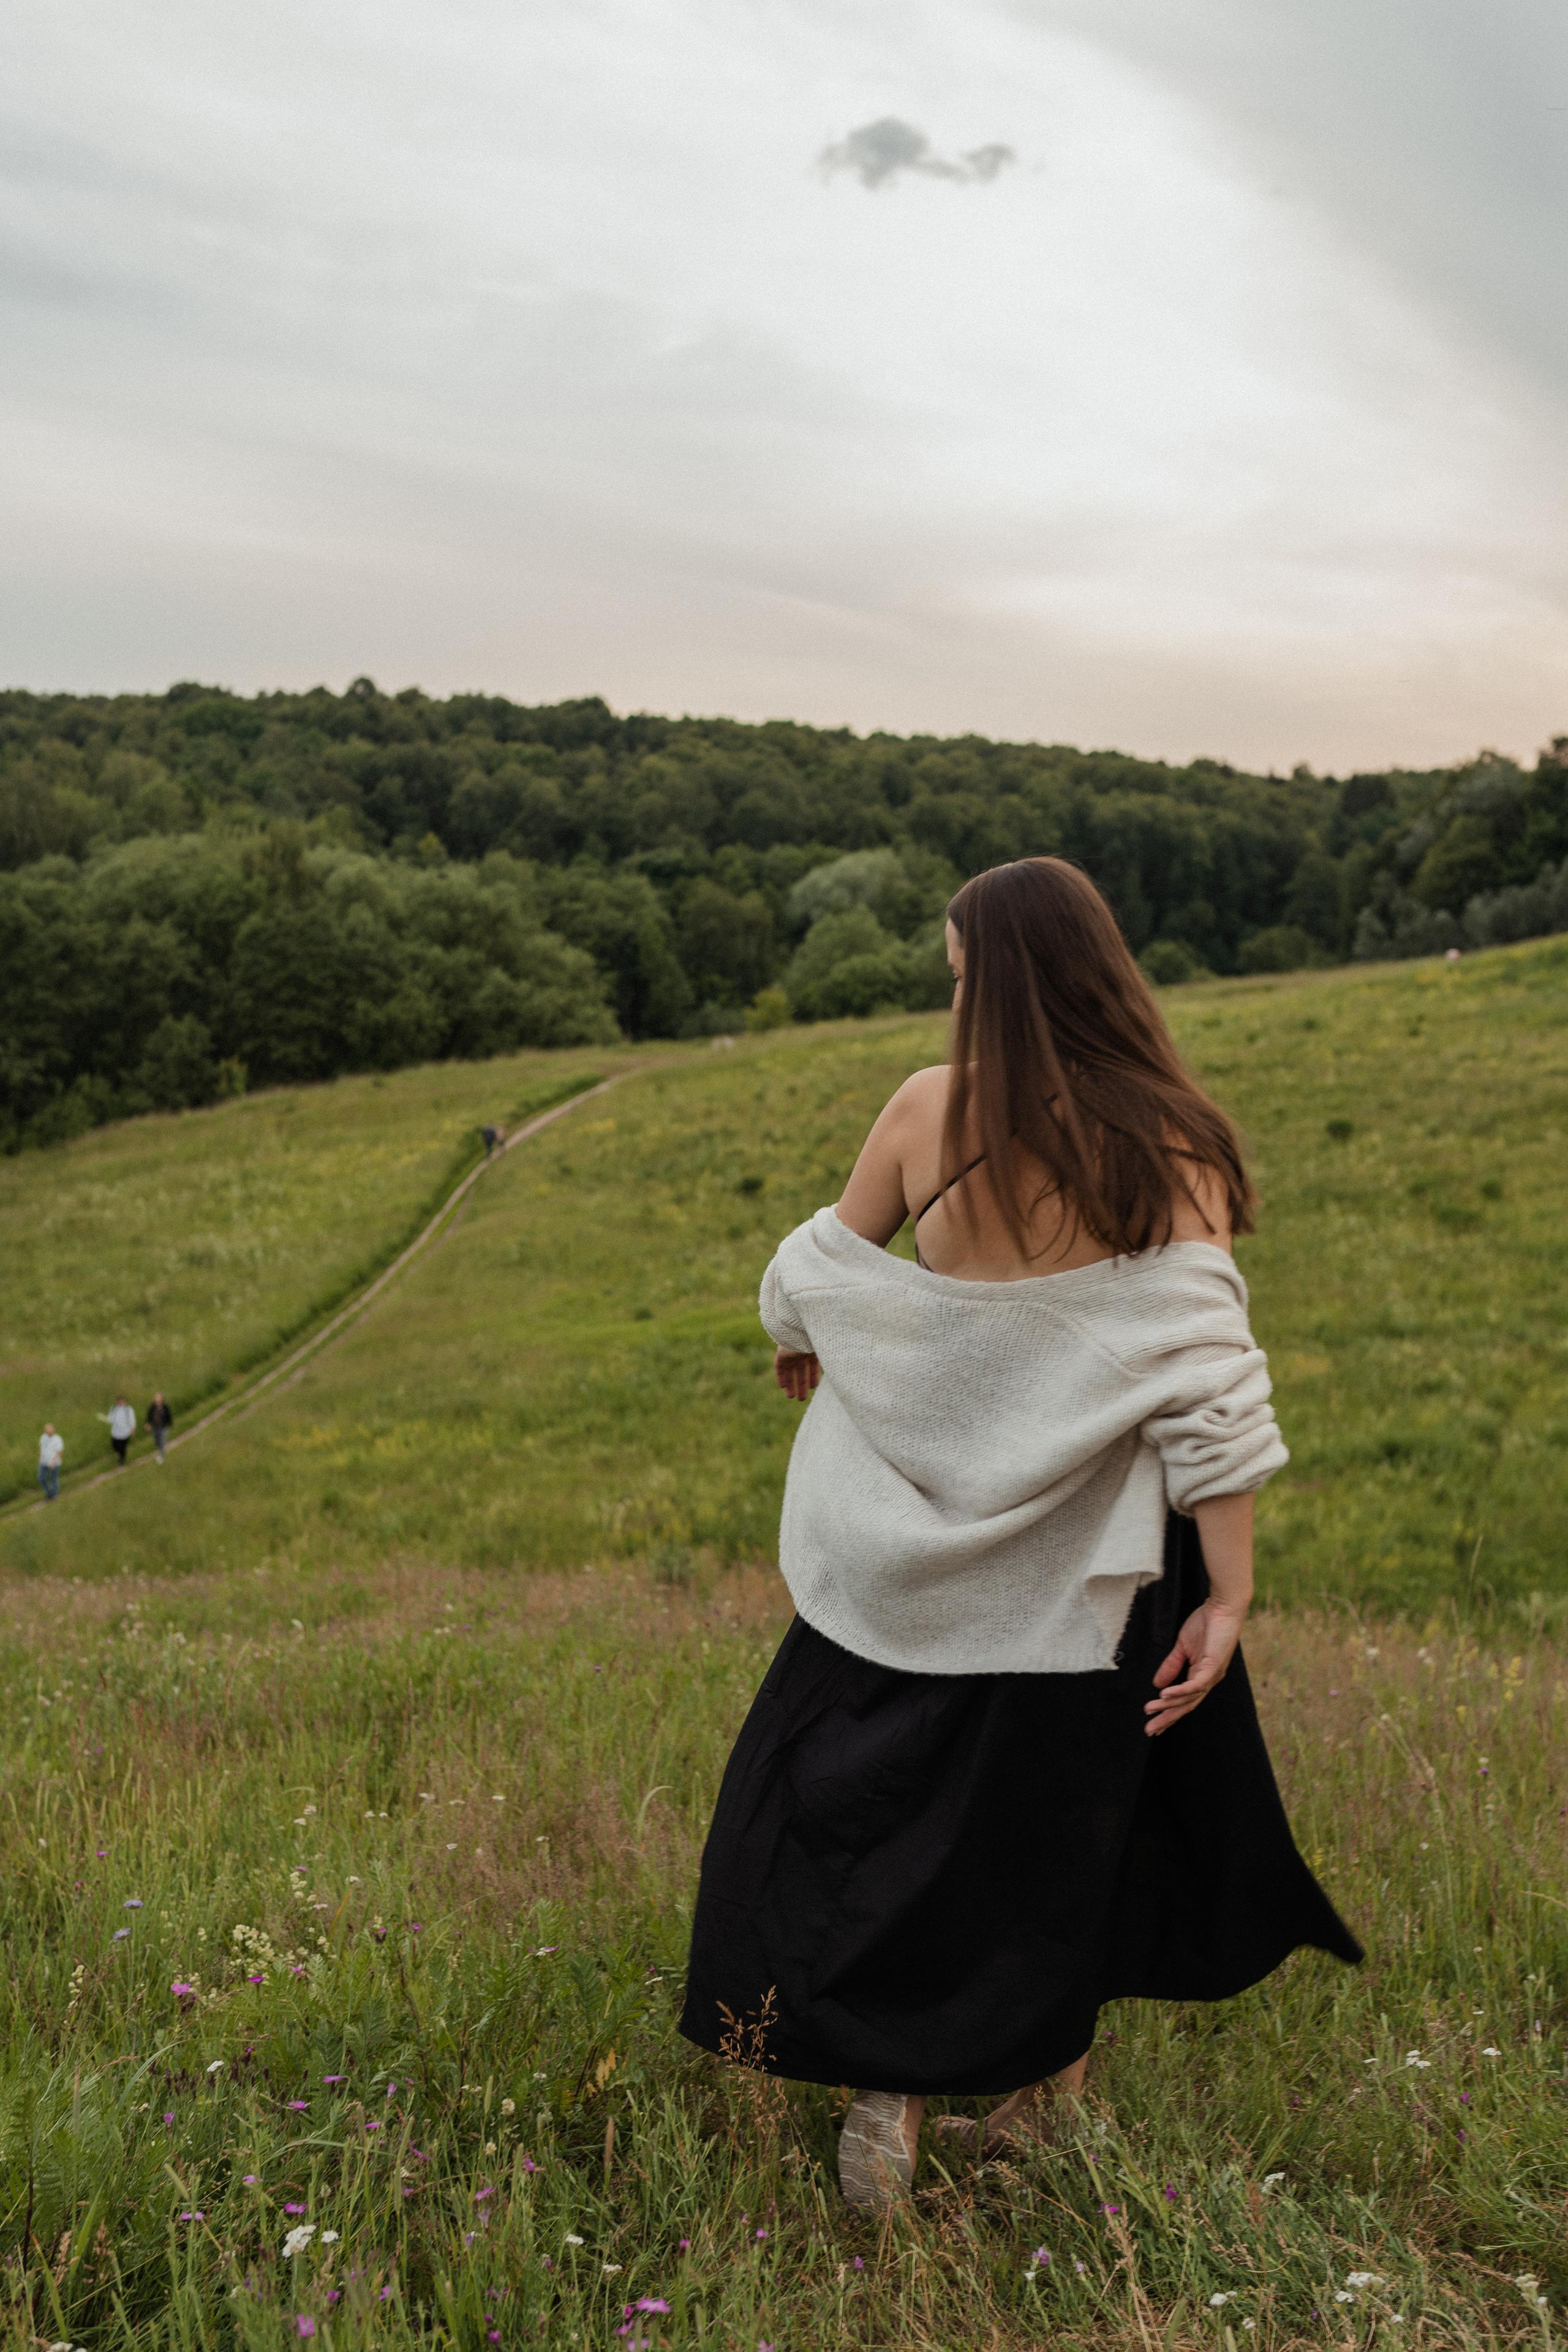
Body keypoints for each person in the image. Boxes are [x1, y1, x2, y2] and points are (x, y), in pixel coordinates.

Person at [680, 856, 1360, 2209]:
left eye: (953, 972)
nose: (948, 995)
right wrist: (1226, 1596)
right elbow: (1206, 1390)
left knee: (872, 1815)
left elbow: (802, 1276)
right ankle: (1046, 2103)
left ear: (986, 983)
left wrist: (807, 1340)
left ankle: (891, 2093)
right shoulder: (1170, 1144)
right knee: (1062, 1828)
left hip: (912, 1557)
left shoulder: (929, 1113)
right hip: (1093, 1572)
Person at [102, 1395, 136, 1466]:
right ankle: (120, 1454)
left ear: (125, 1402)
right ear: (117, 1402)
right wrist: (106, 1419)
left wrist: (132, 1429)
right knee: (114, 1446)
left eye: (122, 1402)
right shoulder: (113, 1409)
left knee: (123, 1448)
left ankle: (122, 1460)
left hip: (125, 1433)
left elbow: (132, 1420)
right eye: (119, 1402)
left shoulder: (129, 1410)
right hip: (116, 1432)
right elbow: (111, 1419)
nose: (121, 1403)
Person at [146, 1392, 173, 1464]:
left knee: (162, 1441)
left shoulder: (165, 1407)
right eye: (156, 1397)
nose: (157, 1399)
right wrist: (148, 1424)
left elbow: (169, 1416)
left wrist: (170, 1425)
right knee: (156, 1440)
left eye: (159, 1397)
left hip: (163, 1427)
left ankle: (161, 1456)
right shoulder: (152, 1407)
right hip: (155, 1427)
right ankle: (160, 1449)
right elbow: (149, 1415)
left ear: (162, 1399)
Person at [37, 1425, 62, 1502]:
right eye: (49, 1430)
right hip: (44, 1462)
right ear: (45, 1431)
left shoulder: (57, 1439)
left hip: (53, 1463)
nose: (51, 1431)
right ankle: (49, 1493)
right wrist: (40, 1459)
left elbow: (59, 1452)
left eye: (51, 1430)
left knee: (53, 1479)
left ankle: (54, 1495)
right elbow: (42, 1449)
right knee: (41, 1478)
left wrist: (53, 1462)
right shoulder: (43, 1438)